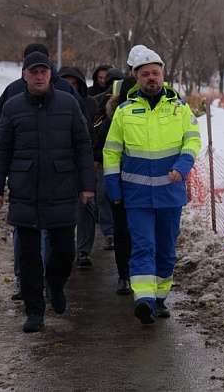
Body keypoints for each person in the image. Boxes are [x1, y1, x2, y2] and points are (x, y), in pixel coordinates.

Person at [0, 51, 96, 333]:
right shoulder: (12, 107)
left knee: (64, 251)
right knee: (29, 255)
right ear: (24, 75)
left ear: (50, 75)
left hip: (61, 188)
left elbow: (82, 146)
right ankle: (34, 310)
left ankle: (56, 284)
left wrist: (86, 185)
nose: (38, 76)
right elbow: (2, 152)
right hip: (25, 189)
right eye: (33, 71)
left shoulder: (68, 104)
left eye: (43, 71)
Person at [103, 47, 201, 324]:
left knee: (166, 249)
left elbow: (192, 141)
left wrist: (181, 168)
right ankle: (143, 299)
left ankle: (159, 299)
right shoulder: (124, 112)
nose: (151, 78)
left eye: (155, 73)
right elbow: (111, 151)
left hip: (170, 194)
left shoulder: (180, 109)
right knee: (143, 246)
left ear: (163, 75)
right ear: (135, 77)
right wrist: (113, 189)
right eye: (145, 74)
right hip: (137, 196)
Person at [93, 73, 134, 295]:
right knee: (122, 230)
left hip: (143, 186)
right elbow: (99, 148)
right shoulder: (112, 120)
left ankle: (140, 273)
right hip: (119, 184)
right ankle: (124, 275)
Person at [58, 65, 99, 268]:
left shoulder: (89, 104)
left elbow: (91, 135)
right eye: (66, 84)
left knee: (86, 207)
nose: (70, 88)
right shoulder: (51, 104)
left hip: (81, 164)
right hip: (58, 168)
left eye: (74, 84)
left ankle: (83, 250)